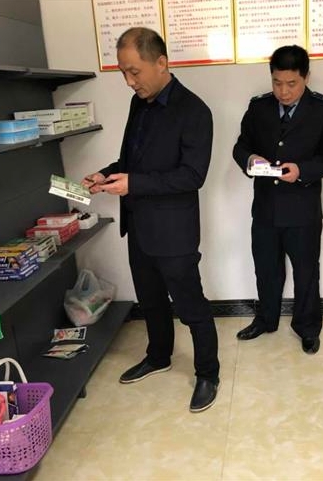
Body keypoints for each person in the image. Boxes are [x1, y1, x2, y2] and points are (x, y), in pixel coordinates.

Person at [82, 27, 219, 413]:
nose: (130, 81)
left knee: (190, 304)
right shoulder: (138, 104)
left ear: (161, 63)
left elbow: (192, 176)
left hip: (174, 232)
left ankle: (208, 373)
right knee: (151, 301)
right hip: (139, 225)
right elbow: (131, 161)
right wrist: (106, 174)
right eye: (123, 73)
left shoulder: (195, 111)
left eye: (135, 72)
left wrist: (134, 183)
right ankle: (159, 356)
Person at [232, 45, 323, 354]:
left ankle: (307, 327)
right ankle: (266, 319)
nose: (283, 91)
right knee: (266, 268)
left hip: (302, 210)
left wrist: (302, 171)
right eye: (277, 82)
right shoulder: (258, 108)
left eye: (291, 83)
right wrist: (250, 159)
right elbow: (240, 147)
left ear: (306, 77)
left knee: (306, 271)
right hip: (266, 207)